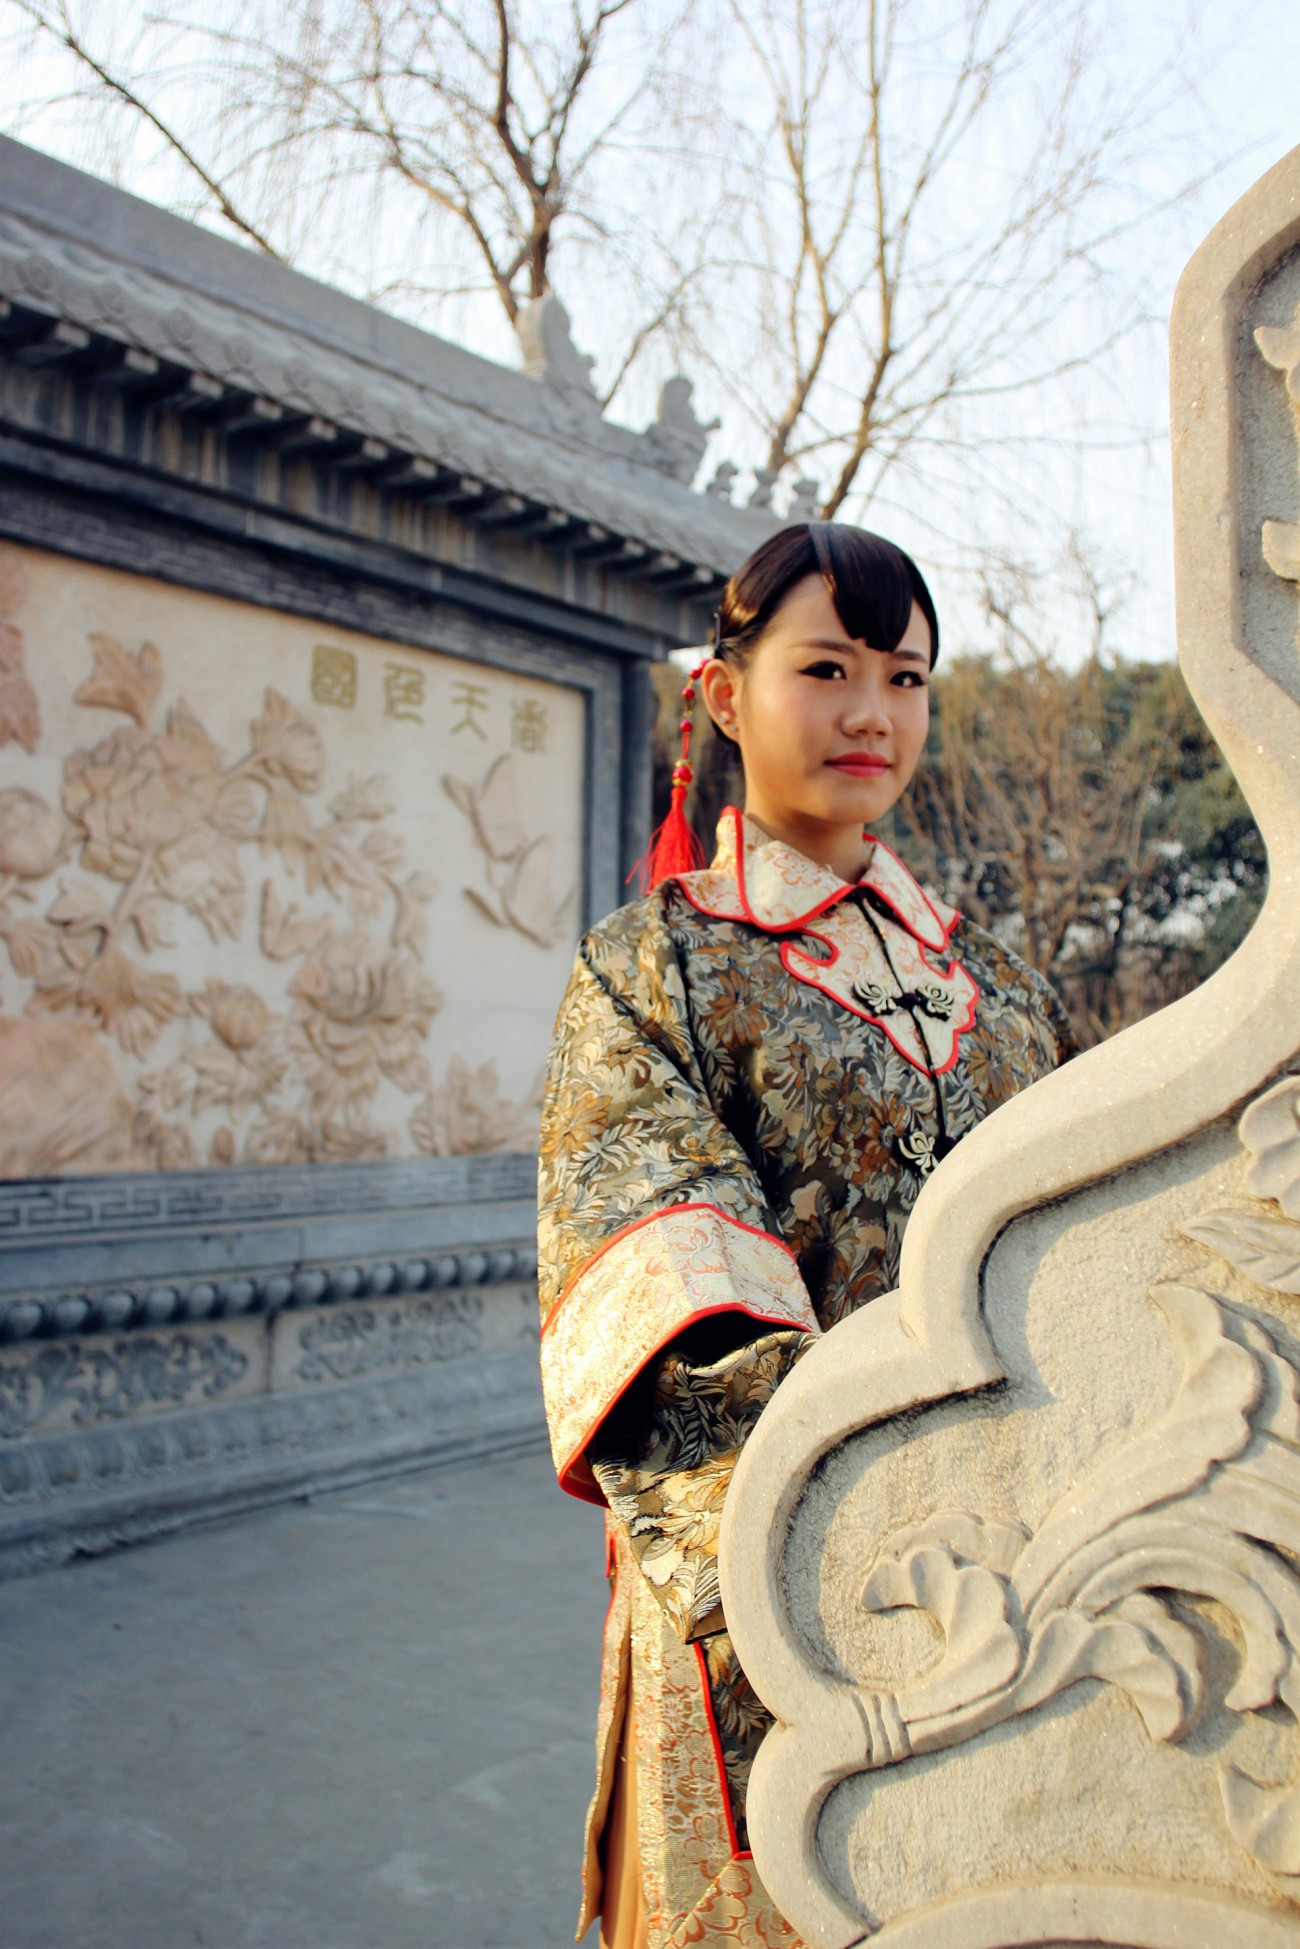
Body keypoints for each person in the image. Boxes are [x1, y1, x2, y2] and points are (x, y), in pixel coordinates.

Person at [537, 522, 1077, 1948]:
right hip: (775, 1581)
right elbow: (664, 1292)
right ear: (724, 695)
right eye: (825, 669)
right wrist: (865, 1540)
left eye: (905, 677)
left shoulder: (1004, 983)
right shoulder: (652, 968)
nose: (870, 713)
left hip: (1027, 1574)